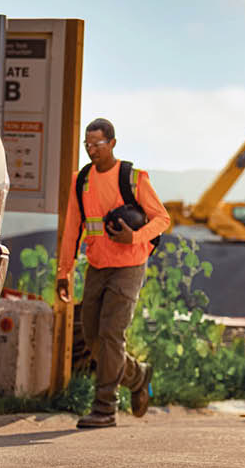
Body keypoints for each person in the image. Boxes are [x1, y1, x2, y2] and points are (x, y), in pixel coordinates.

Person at [56, 118, 170, 429]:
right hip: (98, 266)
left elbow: (162, 219)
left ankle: (105, 406)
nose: (92, 150)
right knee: (93, 337)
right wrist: (64, 270)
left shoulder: (132, 177)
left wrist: (132, 237)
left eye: (98, 145)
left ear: (113, 144)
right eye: (88, 145)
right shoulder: (81, 181)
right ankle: (137, 375)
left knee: (110, 335)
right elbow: (72, 229)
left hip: (130, 265)